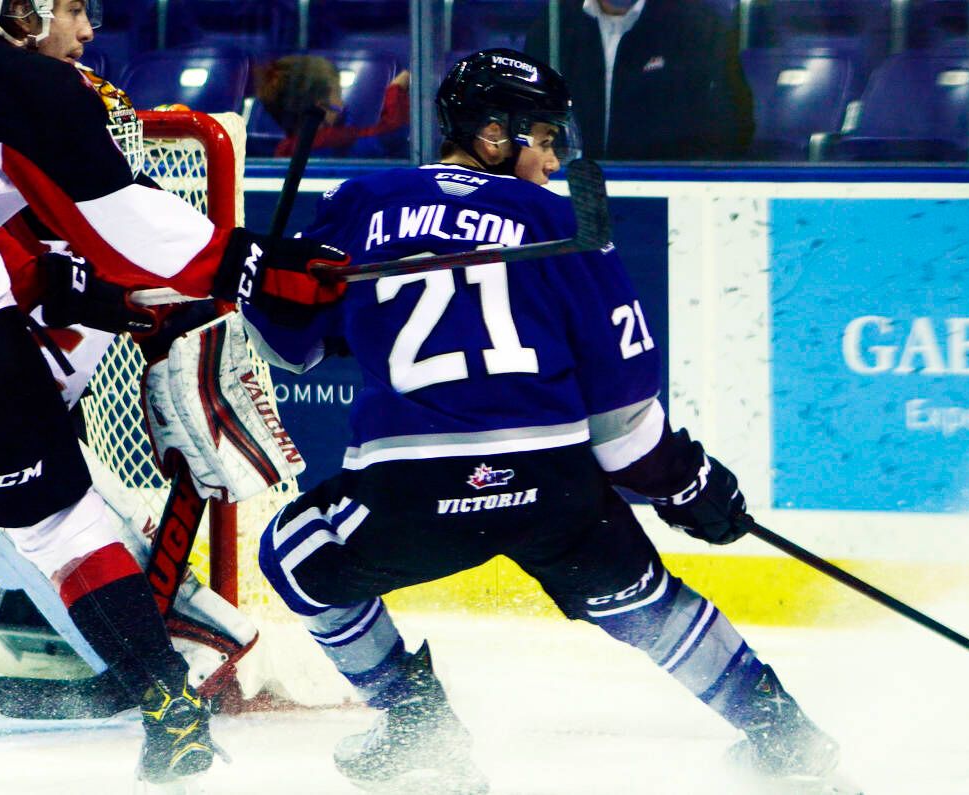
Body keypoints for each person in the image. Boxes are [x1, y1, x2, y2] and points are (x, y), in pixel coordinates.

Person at [243, 48, 846, 793]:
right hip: (552, 489)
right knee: (648, 600)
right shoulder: (561, 222)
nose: (555, 160)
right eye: (545, 139)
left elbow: (291, 346)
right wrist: (688, 486)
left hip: (411, 492)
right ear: (493, 135)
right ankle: (789, 743)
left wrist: (261, 288)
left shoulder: (362, 202)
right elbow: (623, 430)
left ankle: (416, 726)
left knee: (296, 554)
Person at [0, 0, 346, 787]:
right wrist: (261, 265)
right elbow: (124, 221)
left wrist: (100, 297)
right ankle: (169, 706)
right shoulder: (27, 80)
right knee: (65, 528)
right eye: (67, 7)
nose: (87, 28)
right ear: (15, 8)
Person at [524, 0, 754, 161]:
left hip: (666, 193)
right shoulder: (553, 25)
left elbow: (731, 121)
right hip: (573, 192)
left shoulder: (698, 27)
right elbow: (528, 115)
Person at [254, 54, 410, 158]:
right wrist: (397, 88)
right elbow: (390, 135)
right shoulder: (331, 142)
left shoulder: (285, 149)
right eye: (337, 94)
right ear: (321, 108)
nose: (342, 103)